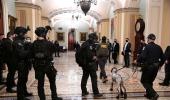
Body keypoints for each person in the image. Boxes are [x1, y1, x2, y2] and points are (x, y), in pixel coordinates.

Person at [32, 27, 62, 100]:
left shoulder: (34, 43)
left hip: (38, 66)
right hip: (48, 65)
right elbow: (54, 50)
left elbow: (32, 54)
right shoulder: (48, 43)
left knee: (40, 84)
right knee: (52, 81)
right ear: (44, 34)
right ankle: (54, 97)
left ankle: (42, 98)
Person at [137, 33, 164, 99]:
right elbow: (163, 58)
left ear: (149, 39)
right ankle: (149, 94)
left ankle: (154, 94)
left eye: (147, 39)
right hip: (156, 67)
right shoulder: (159, 47)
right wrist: (160, 65)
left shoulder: (147, 46)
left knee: (144, 81)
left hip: (148, 67)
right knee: (149, 81)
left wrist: (137, 60)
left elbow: (142, 56)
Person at [13, 27, 33, 100]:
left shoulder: (22, 41)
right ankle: (20, 97)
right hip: (20, 63)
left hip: (25, 63)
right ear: (21, 34)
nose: (25, 35)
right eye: (24, 33)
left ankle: (24, 92)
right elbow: (21, 54)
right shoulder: (17, 42)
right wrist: (29, 50)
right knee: (21, 81)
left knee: (25, 79)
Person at [80, 33, 103, 97]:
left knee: (84, 78)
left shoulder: (84, 43)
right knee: (94, 78)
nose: (95, 40)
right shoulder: (88, 44)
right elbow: (89, 54)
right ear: (91, 38)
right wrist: (94, 57)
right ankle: (96, 93)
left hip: (85, 65)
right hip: (90, 64)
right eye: (95, 39)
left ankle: (84, 91)